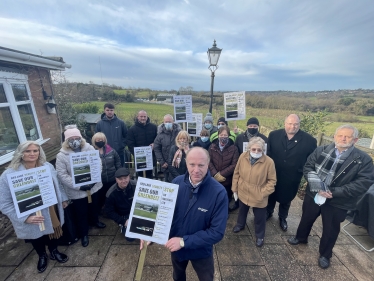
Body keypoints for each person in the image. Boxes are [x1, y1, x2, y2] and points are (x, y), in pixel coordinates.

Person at [288, 125, 374, 269]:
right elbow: (308, 167)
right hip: (314, 193)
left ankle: (325, 254)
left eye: (347, 136)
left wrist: (334, 192)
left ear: (356, 140)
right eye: (340, 135)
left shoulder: (362, 159)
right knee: (306, 218)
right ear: (335, 136)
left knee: (331, 229)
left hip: (338, 200)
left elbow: (363, 183)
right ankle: (301, 237)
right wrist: (318, 186)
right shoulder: (320, 150)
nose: (343, 139)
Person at [0, 141, 69, 273]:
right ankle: (42, 255)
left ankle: (54, 251)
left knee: (54, 230)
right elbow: (4, 203)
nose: (32, 154)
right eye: (28, 151)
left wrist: (63, 198)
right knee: (36, 236)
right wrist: (25, 218)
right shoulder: (8, 175)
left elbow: (58, 185)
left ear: (39, 152)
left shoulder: (47, 166)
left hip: (51, 208)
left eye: (35, 151)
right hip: (29, 213)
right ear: (21, 153)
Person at [165, 147, 228, 281]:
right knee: (178, 276)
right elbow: (164, 214)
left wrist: (183, 242)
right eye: (192, 164)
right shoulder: (176, 183)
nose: (196, 170)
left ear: (208, 164)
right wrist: (149, 234)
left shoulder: (219, 192)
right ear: (186, 163)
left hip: (201, 251)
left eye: (201, 165)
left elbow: (217, 232)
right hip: (176, 247)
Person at [56, 127, 106, 248]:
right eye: (71, 139)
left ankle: (95, 221)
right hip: (77, 191)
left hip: (93, 187)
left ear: (81, 138)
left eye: (77, 138)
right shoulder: (61, 155)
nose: (75, 141)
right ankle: (84, 233)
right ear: (66, 140)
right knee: (81, 212)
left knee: (94, 206)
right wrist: (78, 186)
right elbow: (62, 175)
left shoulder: (89, 148)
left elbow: (97, 163)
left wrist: (94, 179)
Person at [266, 114, 317, 231]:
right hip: (274, 172)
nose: (292, 126)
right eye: (290, 123)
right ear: (285, 123)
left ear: (299, 124)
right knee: (271, 193)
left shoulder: (309, 140)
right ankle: (268, 212)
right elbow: (268, 153)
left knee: (287, 197)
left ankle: (283, 217)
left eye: (296, 124)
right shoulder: (274, 135)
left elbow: (311, 161)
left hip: (292, 176)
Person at [231, 137, 276, 247]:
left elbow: (272, 181)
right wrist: (234, 188)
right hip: (243, 190)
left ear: (263, 150)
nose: (256, 152)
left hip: (258, 195)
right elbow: (236, 173)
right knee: (242, 211)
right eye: (254, 149)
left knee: (260, 218)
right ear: (249, 148)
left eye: (259, 150)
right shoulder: (243, 156)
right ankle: (240, 225)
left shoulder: (269, 162)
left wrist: (262, 193)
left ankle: (260, 236)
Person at [208, 126, 239, 212]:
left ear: (229, 136)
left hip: (227, 180)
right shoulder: (212, 147)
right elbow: (208, 161)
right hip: (214, 179)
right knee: (214, 198)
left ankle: (224, 213)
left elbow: (234, 164)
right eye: (221, 135)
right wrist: (215, 174)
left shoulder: (234, 148)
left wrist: (221, 174)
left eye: (225, 135)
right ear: (218, 135)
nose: (223, 137)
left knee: (225, 199)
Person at [104, 168, 137, 242]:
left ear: (129, 177)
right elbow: (109, 212)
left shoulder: (136, 185)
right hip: (123, 215)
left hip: (137, 211)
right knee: (130, 238)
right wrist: (123, 221)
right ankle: (123, 226)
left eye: (125, 178)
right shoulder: (111, 193)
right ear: (116, 179)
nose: (123, 181)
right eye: (120, 179)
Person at [92, 132, 121, 211]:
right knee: (101, 197)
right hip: (100, 180)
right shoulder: (91, 152)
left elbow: (117, 161)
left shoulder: (111, 150)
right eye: (98, 140)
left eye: (102, 139)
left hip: (112, 178)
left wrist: (118, 173)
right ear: (94, 141)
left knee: (111, 196)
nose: (100, 141)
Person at [127, 110, 158, 179]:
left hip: (151, 157)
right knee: (140, 177)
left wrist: (154, 144)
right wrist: (137, 153)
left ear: (147, 117)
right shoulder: (132, 129)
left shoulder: (153, 127)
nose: (143, 118)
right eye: (141, 116)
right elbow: (130, 144)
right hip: (139, 158)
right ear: (137, 117)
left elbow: (157, 140)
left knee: (150, 176)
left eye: (144, 116)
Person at [154, 114, 182, 182]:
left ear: (173, 122)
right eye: (166, 122)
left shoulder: (179, 133)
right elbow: (157, 149)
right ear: (163, 122)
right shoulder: (160, 135)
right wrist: (162, 162)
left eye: (169, 122)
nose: (168, 123)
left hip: (177, 165)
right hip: (166, 166)